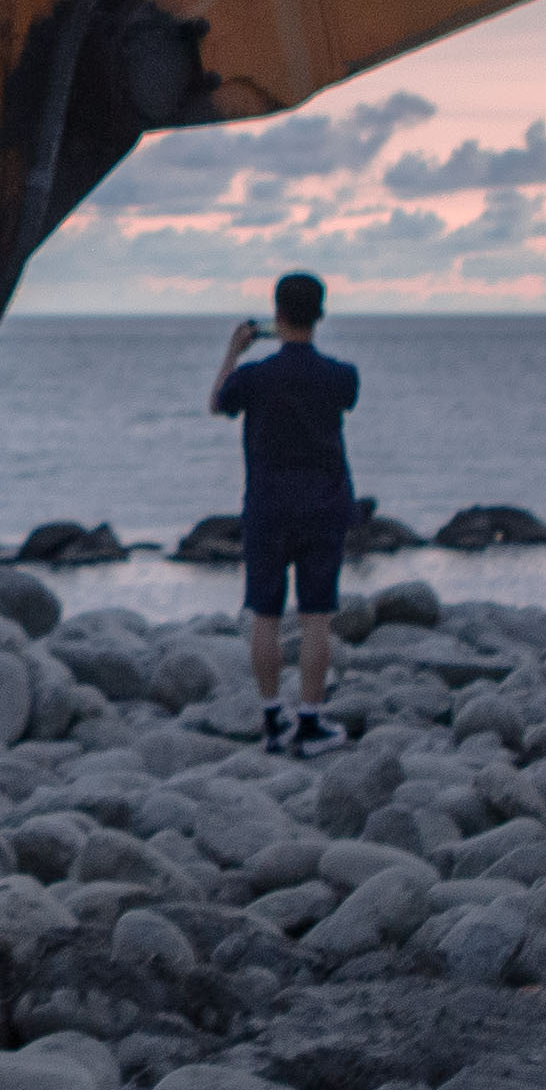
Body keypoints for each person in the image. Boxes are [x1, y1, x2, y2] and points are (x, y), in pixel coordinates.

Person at [208, 272, 363, 751]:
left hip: (267, 507)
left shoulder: (255, 377)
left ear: (277, 315)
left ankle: (273, 718)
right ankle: (311, 721)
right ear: (320, 315)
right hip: (323, 506)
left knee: (266, 615)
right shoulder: (340, 376)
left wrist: (234, 351)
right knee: (316, 618)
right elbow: (345, 401)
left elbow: (217, 403)